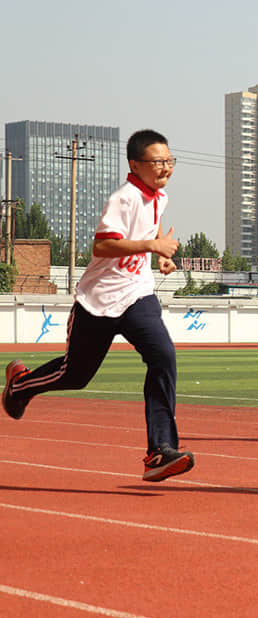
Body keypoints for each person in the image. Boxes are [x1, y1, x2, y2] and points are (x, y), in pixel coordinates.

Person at [1, 129, 193, 482]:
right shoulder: (124, 197)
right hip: (99, 300)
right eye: (158, 162)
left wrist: (159, 252)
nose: (166, 167)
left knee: (163, 356)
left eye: (169, 160)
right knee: (75, 375)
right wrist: (152, 246)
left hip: (137, 295)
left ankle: (159, 451)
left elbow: (149, 228)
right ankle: (21, 386)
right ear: (135, 164)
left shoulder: (157, 196)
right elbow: (102, 247)